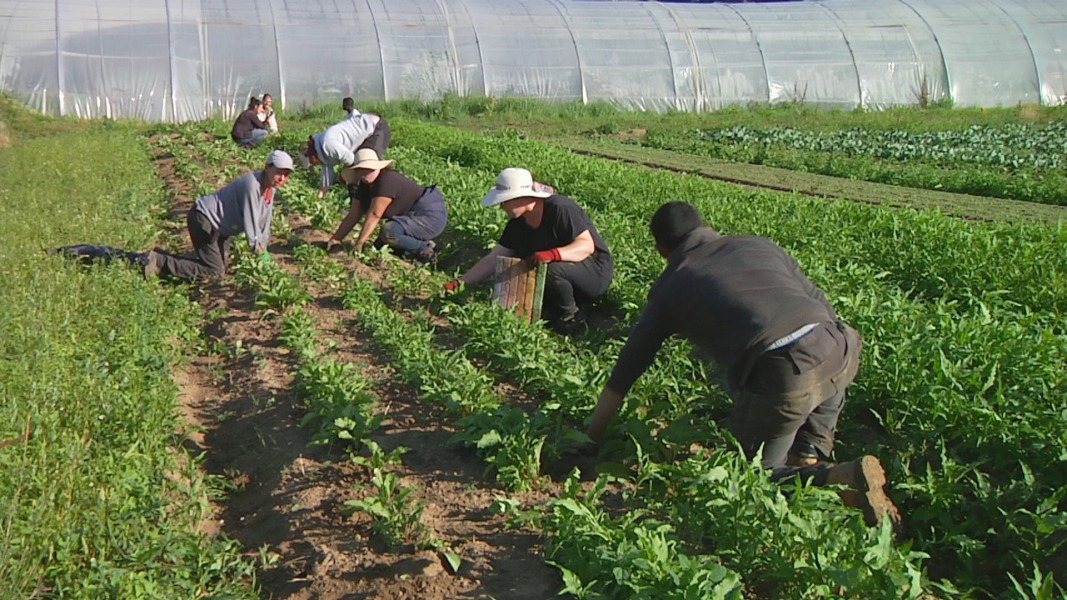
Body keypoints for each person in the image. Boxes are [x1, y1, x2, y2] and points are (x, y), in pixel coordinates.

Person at [580, 201, 899, 527]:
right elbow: (821, 303)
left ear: (662, 249)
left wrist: (592, 437)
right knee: (803, 444)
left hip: (784, 372)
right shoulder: (757, 244)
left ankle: (836, 479)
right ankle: (816, 503)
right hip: (840, 347)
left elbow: (626, 371)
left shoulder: (671, 286)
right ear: (706, 227)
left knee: (758, 475)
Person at [445, 167, 613, 335]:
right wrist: (461, 282)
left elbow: (586, 246)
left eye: (505, 200)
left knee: (552, 270)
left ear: (521, 197)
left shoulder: (560, 208)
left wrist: (553, 254)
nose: (502, 206)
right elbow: (494, 258)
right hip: (557, 278)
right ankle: (551, 309)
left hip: (593, 273)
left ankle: (570, 318)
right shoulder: (518, 223)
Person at [143, 150, 293, 280]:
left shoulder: (271, 188)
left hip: (221, 229)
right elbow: (252, 222)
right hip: (204, 220)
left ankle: (165, 258)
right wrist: (259, 252)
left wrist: (264, 246)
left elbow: (264, 221)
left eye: (286, 175)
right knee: (214, 271)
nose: (282, 179)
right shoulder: (252, 185)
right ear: (267, 167)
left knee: (219, 264)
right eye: (279, 172)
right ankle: (158, 261)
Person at [324, 149, 447, 264]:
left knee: (389, 232)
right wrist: (335, 239)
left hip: (429, 216)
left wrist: (359, 244)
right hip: (409, 217)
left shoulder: (386, 180)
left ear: (377, 167)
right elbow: (354, 214)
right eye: (361, 169)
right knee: (379, 247)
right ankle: (410, 253)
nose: (365, 173)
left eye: (369, 168)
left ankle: (426, 248)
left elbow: (374, 214)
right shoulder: (365, 184)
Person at [299, 111, 391, 199]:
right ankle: (357, 208)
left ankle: (376, 201)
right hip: (368, 130)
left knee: (366, 169)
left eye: (312, 163)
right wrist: (317, 199)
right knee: (356, 174)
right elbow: (325, 183)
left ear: (312, 155)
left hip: (376, 129)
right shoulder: (323, 154)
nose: (314, 165)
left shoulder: (327, 145)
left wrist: (343, 174)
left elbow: (351, 160)